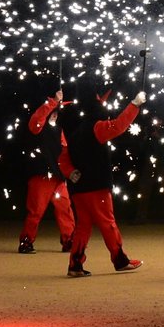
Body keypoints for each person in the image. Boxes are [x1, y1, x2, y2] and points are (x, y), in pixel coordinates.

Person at [56, 80, 145, 277]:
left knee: (83, 227)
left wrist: (71, 173)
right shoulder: (96, 127)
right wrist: (134, 105)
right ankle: (120, 260)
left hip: (79, 188)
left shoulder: (76, 132)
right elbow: (118, 126)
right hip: (96, 186)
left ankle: (75, 264)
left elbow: (63, 157)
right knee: (107, 222)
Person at [18, 87, 75, 254]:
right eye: (53, 111)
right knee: (36, 211)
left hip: (58, 176)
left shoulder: (59, 130)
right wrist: (53, 102)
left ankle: (68, 240)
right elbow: (37, 119)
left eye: (57, 111)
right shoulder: (38, 128)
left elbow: (65, 151)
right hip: (41, 175)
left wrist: (69, 170)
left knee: (65, 208)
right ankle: (26, 241)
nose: (55, 114)